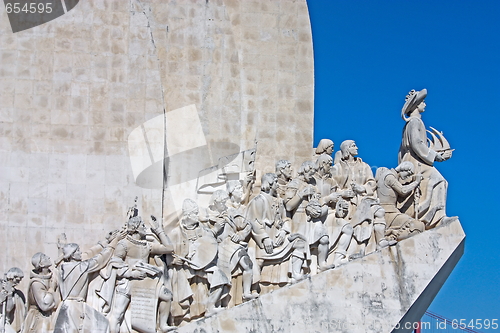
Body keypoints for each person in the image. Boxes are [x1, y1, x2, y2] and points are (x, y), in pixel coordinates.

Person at [107, 215, 175, 333]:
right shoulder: (123, 244)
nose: (145, 227)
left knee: (167, 295)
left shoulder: (146, 245)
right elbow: (115, 264)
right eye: (142, 225)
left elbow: (169, 248)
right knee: (117, 314)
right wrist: (132, 274)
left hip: (144, 282)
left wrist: (159, 230)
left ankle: (163, 325)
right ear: (136, 228)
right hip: (127, 282)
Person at [169, 199, 230, 325]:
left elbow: (209, 245)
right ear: (187, 215)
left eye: (197, 213)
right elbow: (167, 256)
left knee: (220, 276)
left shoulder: (203, 229)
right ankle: (182, 316)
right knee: (177, 279)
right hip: (185, 268)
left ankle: (210, 306)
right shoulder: (176, 233)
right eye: (194, 214)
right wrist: (175, 260)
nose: (197, 216)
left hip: (202, 266)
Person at [398, 88, 453, 228]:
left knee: (437, 182)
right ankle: (436, 219)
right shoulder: (414, 122)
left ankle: (434, 217)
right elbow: (416, 144)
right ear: (416, 105)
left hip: (417, 160)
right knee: (439, 181)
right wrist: (436, 156)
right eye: (423, 102)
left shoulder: (413, 122)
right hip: (416, 162)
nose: (425, 104)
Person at [53, 230, 125, 333]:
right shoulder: (81, 267)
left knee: (102, 325)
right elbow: (100, 259)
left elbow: (88, 255)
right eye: (77, 251)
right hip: (75, 308)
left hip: (66, 306)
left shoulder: (62, 267)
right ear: (72, 255)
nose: (80, 252)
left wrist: (105, 242)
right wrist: (114, 242)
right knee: (102, 325)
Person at [246, 173, 308, 288]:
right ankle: (253, 288)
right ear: (269, 184)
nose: (277, 185)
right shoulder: (258, 200)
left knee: (300, 242)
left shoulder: (279, 201)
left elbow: (286, 218)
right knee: (258, 261)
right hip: (265, 242)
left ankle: (296, 275)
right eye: (275, 182)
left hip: (279, 238)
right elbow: (253, 221)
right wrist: (265, 239)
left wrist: (284, 230)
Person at [332, 140, 393, 256]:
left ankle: (381, 241)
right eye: (353, 146)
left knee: (379, 212)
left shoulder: (364, 166)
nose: (357, 148)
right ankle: (356, 251)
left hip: (364, 199)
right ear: (347, 149)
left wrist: (363, 188)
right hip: (347, 202)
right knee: (355, 224)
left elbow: (372, 182)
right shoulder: (337, 168)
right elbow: (332, 187)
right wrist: (343, 193)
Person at [376, 161, 425, 241]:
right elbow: (403, 191)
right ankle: (392, 238)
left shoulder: (391, 176)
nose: (408, 177)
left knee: (419, 226)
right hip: (388, 213)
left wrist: (413, 182)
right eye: (409, 174)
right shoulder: (389, 176)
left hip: (391, 212)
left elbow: (402, 194)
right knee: (417, 226)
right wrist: (416, 182)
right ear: (404, 169)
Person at [21, 253, 59, 333]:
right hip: (39, 319)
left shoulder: (52, 276)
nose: (48, 257)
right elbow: (44, 305)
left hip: (51, 316)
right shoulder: (36, 283)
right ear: (41, 264)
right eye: (45, 257)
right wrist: (52, 288)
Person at [0, 268, 25, 333]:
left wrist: (10, 294)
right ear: (11, 278)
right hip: (2, 321)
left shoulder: (17, 294)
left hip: (10, 321)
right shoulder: (2, 289)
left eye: (20, 280)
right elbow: (8, 309)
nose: (18, 282)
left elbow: (9, 309)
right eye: (17, 280)